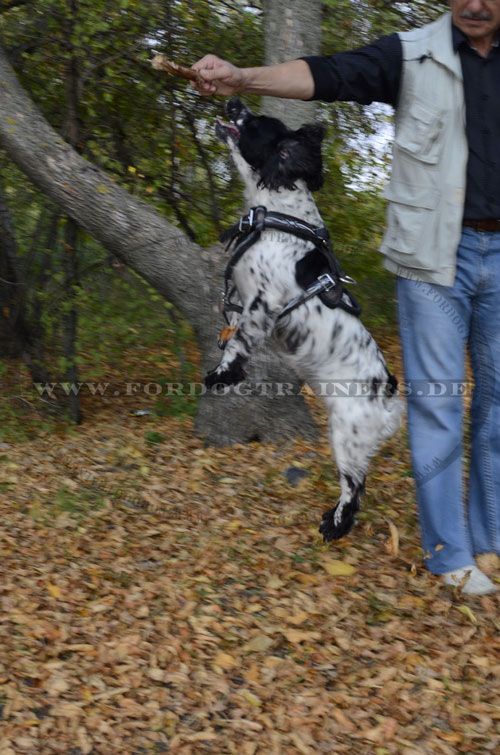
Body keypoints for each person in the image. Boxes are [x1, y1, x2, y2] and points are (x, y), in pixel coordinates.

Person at [192, 0, 500, 596]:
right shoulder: (410, 54)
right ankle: (450, 556)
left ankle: (491, 543)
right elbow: (324, 74)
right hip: (434, 257)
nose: (476, 4)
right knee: (438, 405)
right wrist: (241, 78)